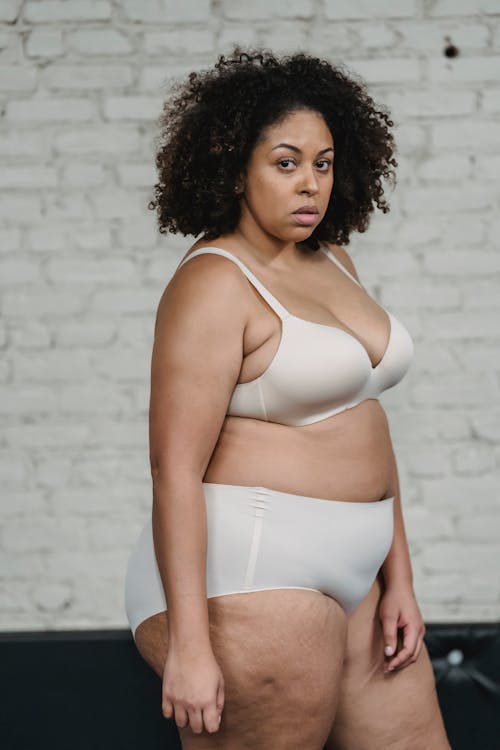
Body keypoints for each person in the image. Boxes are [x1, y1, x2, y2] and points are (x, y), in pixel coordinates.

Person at [124, 47, 451, 749]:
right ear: (234, 166)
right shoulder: (213, 283)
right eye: (286, 162)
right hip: (251, 574)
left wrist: (400, 578)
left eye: (323, 163)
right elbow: (173, 468)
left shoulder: (333, 258)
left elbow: (365, 417)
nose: (310, 184)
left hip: (361, 577)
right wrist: (190, 644)